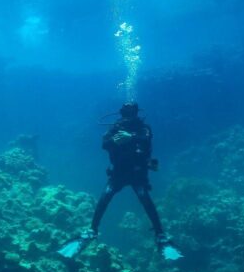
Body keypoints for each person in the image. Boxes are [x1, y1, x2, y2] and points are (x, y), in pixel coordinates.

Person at [59, 102, 181, 260]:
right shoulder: (115, 128)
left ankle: (160, 234)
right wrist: (115, 141)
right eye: (125, 112)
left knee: (145, 199)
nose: (127, 116)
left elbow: (147, 139)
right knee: (105, 198)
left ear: (136, 113)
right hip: (119, 172)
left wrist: (131, 137)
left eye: (130, 112)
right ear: (121, 113)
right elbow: (105, 144)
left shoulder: (143, 128)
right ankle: (92, 230)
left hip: (137, 172)